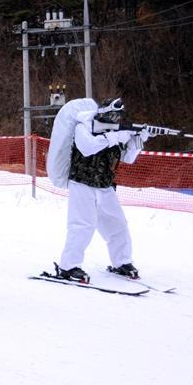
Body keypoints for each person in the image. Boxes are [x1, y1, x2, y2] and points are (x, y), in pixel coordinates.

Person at [54, 97, 149, 283]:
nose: (114, 119)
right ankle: (68, 266)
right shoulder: (84, 126)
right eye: (111, 114)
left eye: (117, 116)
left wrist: (138, 141)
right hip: (82, 182)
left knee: (118, 224)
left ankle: (122, 262)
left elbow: (128, 158)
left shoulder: (116, 131)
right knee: (82, 225)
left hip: (105, 185)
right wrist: (113, 137)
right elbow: (87, 147)